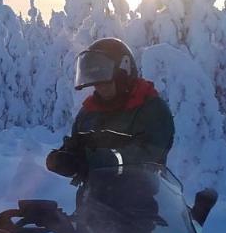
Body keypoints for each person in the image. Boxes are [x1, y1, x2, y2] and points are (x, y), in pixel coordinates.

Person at [46, 38, 175, 181]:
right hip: (92, 198)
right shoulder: (88, 113)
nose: (100, 87)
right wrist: (63, 158)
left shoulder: (151, 110)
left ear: (123, 75)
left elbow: (146, 157)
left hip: (140, 197)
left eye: (106, 81)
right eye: (96, 82)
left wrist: (91, 161)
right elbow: (77, 145)